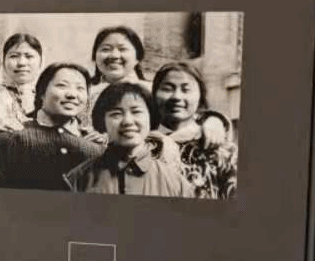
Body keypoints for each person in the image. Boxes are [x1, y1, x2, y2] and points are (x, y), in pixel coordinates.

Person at [0, 63, 100, 191]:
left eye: (80, 88)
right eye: (62, 85)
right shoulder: (9, 137)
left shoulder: (97, 147)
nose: (72, 95)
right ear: (42, 93)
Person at [66, 80, 190, 196]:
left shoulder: (177, 184)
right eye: (116, 114)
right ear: (102, 122)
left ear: (150, 117)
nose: (128, 121)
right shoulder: (77, 179)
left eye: (136, 112)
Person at [152, 62, 237, 200]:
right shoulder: (141, 146)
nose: (176, 97)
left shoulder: (223, 151)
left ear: (200, 97)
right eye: (167, 89)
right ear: (154, 94)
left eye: (186, 90)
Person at [0, 31, 42, 151]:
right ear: (3, 61)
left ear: (40, 62)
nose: (22, 63)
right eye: (14, 56)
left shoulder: (48, 96)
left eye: (29, 56)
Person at [88, 25, 148, 103]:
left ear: (138, 56)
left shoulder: (151, 91)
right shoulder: (85, 93)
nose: (114, 55)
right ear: (94, 56)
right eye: (106, 49)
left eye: (122, 49)